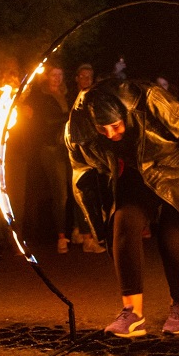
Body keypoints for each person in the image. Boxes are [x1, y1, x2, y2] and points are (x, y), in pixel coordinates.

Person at [67, 78, 179, 337]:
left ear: (125, 114)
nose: (111, 134)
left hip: (176, 171)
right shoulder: (78, 126)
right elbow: (82, 176)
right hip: (136, 175)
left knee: (172, 242)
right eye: (103, 129)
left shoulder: (151, 100)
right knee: (123, 223)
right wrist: (99, 230)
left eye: (115, 126)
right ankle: (132, 313)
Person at [26, 65, 73, 253]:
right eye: (54, 75)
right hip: (51, 148)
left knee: (76, 189)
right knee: (60, 193)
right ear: (47, 77)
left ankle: (78, 231)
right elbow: (43, 122)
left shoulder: (68, 95)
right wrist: (67, 117)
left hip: (69, 147)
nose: (57, 78)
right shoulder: (41, 98)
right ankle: (61, 236)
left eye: (60, 74)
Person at [69, 64, 106, 254]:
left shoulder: (93, 98)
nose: (86, 80)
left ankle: (88, 233)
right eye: (82, 77)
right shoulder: (72, 99)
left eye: (89, 77)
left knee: (92, 192)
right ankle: (87, 237)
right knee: (82, 191)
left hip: (90, 150)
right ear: (77, 78)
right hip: (77, 152)